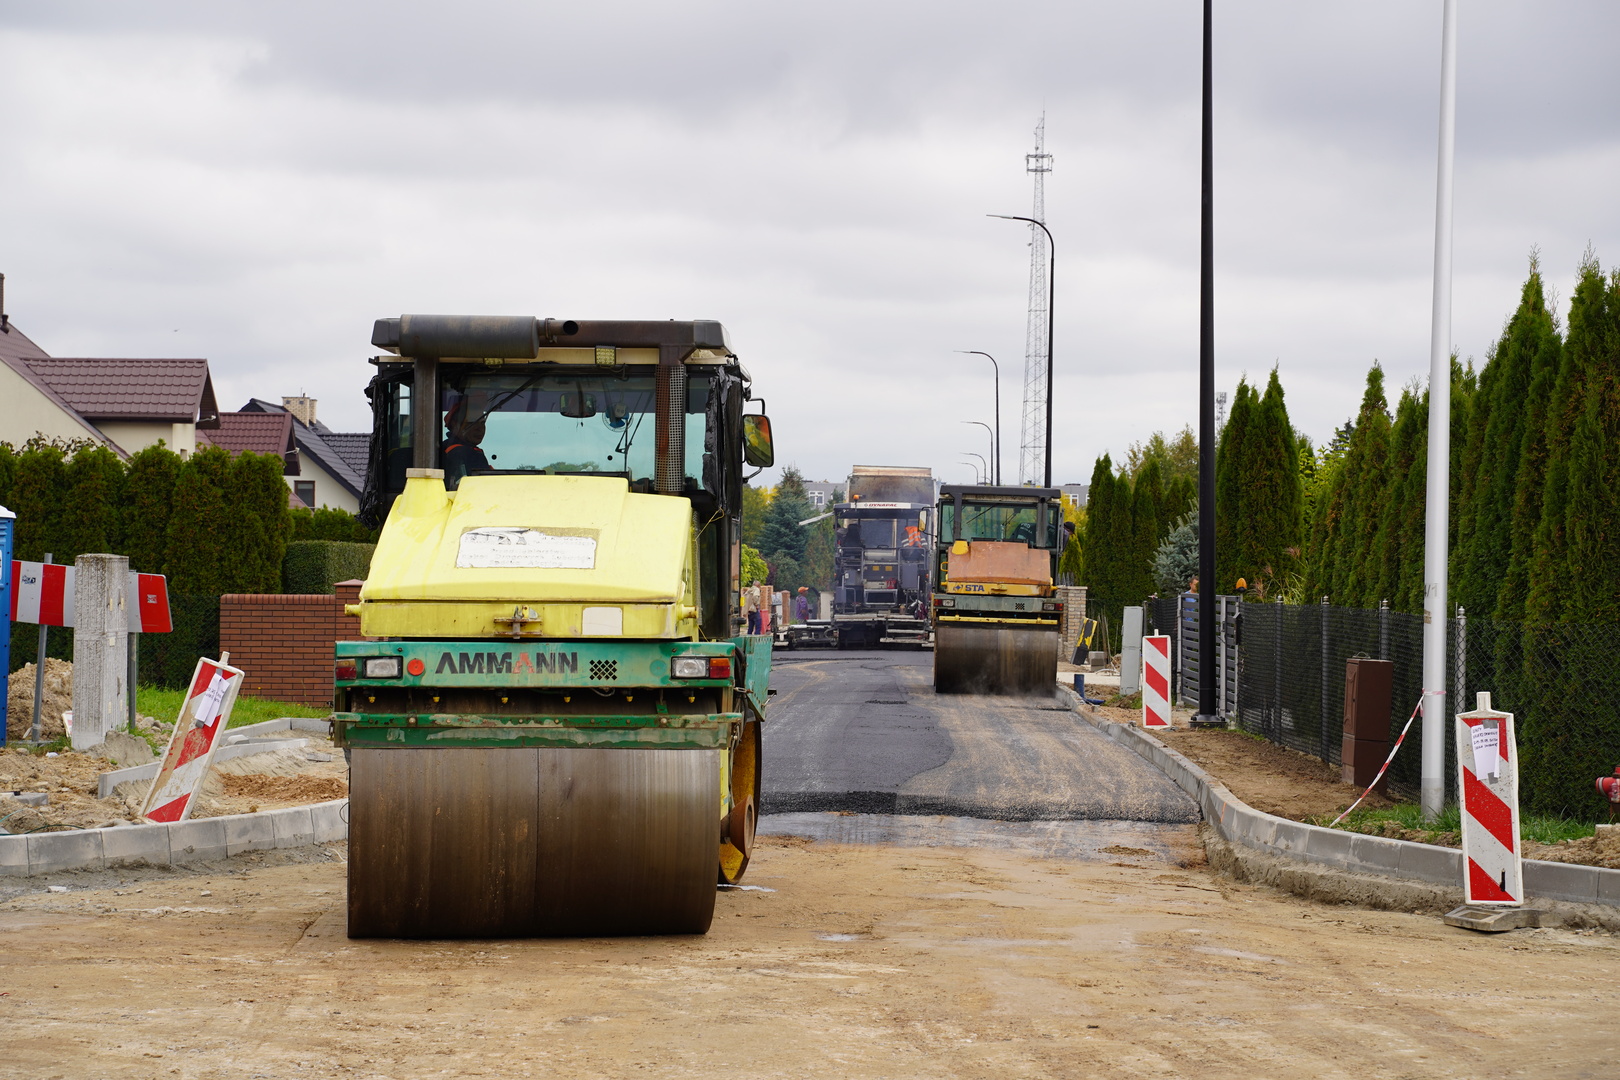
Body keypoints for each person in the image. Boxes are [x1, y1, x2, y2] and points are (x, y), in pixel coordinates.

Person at [442, 401, 491, 485]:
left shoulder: (447, 448)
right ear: (455, 424)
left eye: (482, 423)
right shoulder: (457, 452)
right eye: (472, 422)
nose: (480, 428)